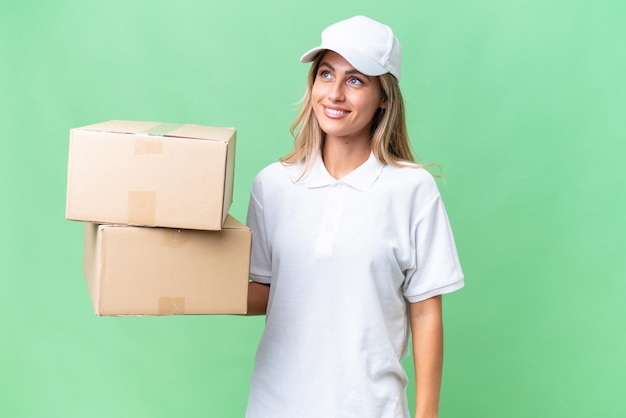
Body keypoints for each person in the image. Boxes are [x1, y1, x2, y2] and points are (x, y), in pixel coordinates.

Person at [244, 15, 464, 418]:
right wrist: (182, 274)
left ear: (384, 97)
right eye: (326, 74)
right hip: (276, 404)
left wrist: (427, 415)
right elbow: (266, 290)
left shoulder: (411, 190)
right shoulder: (272, 185)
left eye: (356, 80)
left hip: (369, 406)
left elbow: (426, 310)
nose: (335, 93)